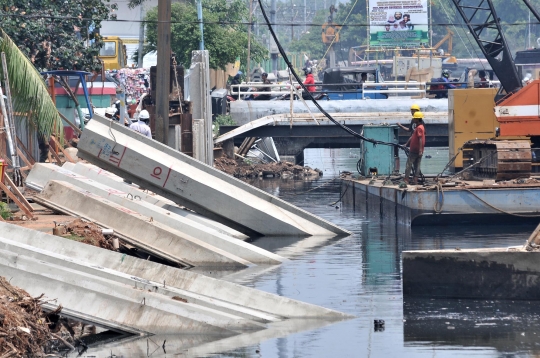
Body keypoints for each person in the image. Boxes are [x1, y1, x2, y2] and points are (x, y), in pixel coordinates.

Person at [404, 111, 425, 185]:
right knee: (417, 165)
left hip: (415, 150)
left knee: (409, 164)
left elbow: (420, 139)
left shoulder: (419, 128)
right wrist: (406, 144)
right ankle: (415, 179)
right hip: (418, 150)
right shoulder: (420, 127)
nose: (413, 120)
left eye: (414, 119)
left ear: (417, 119)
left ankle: (406, 179)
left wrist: (419, 150)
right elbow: (413, 137)